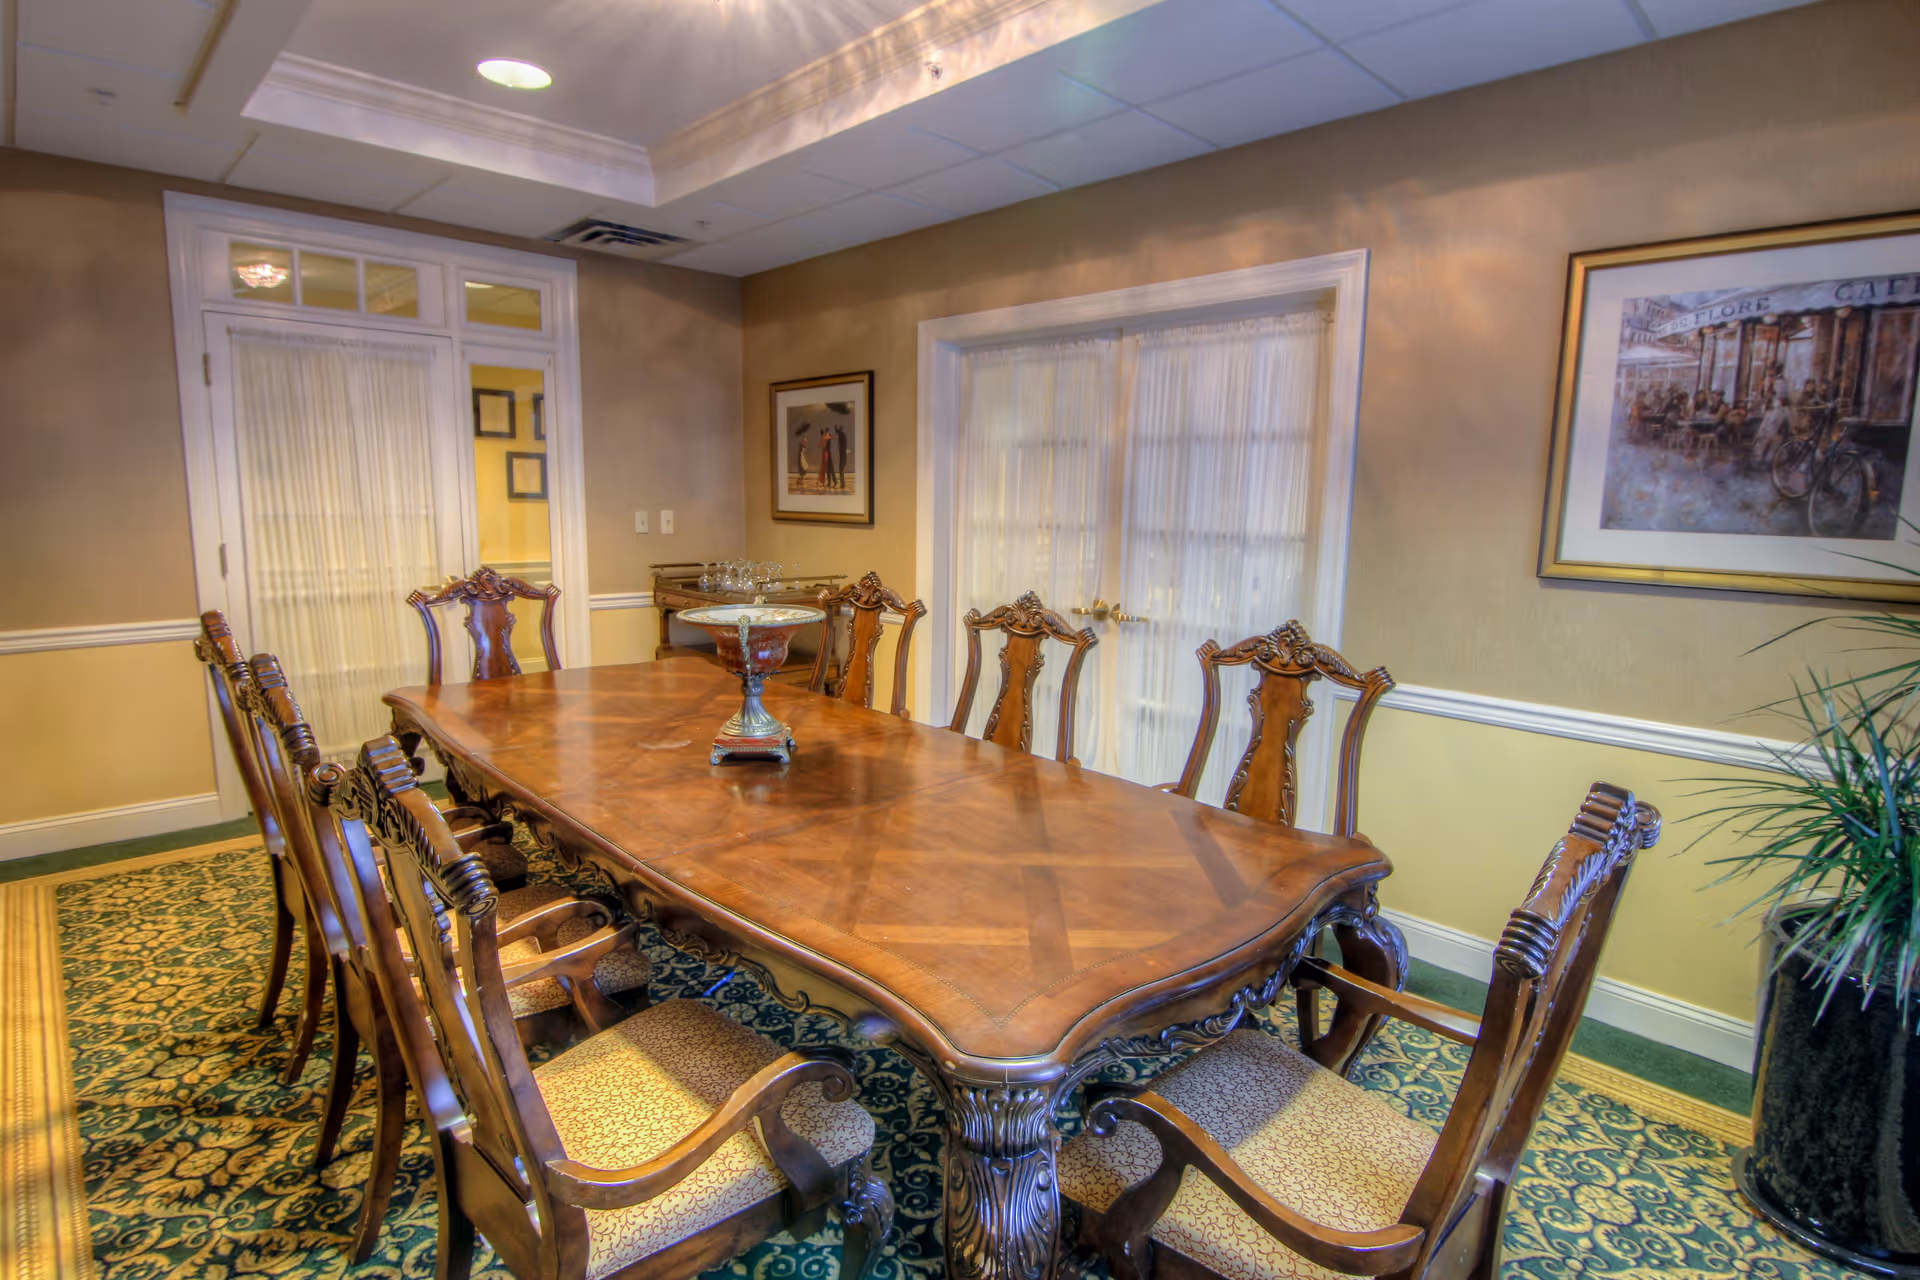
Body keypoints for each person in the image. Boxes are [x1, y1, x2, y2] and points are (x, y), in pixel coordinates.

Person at [832, 423, 849, 489]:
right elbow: (837, 431)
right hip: (843, 456)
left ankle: (843, 484)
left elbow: (844, 446)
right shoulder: (842, 434)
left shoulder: (842, 435)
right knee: (841, 470)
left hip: (843, 456)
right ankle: (842, 484)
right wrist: (835, 427)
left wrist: (840, 447)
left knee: (841, 470)